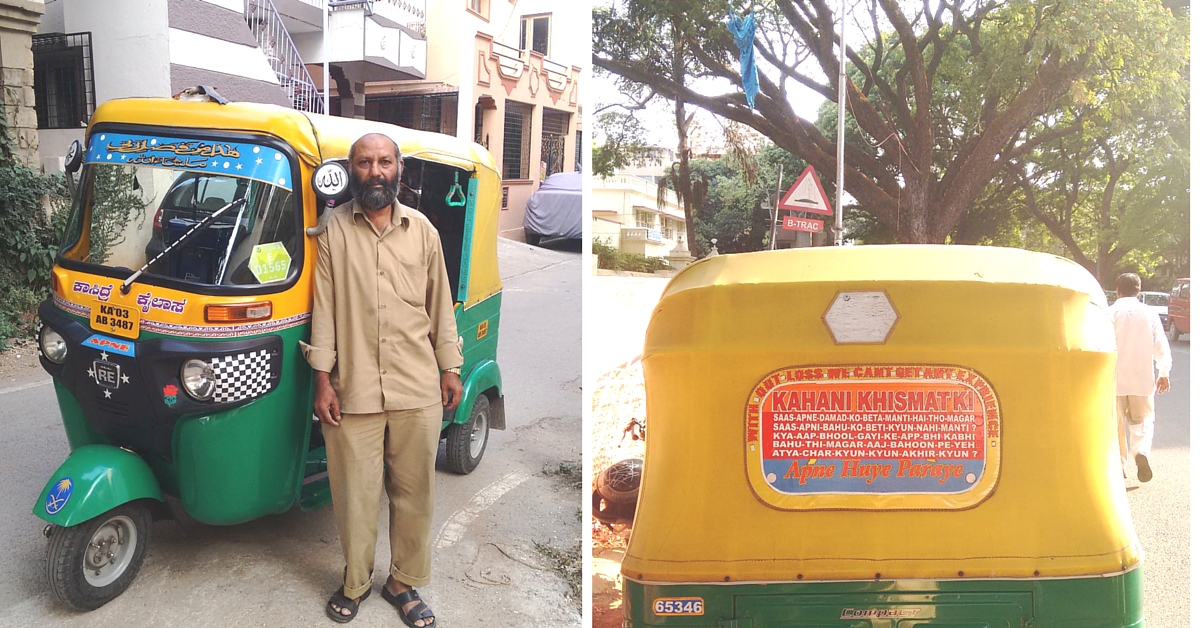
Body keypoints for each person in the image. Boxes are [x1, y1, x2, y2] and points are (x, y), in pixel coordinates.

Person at [301, 133, 463, 627]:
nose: (375, 171)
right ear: (352, 171)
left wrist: (450, 365)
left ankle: (403, 582)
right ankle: (355, 581)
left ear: (399, 171)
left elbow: (441, 304)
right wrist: (323, 381)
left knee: (415, 492)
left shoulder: (424, 231)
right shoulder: (333, 232)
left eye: (384, 162)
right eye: (365, 162)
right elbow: (323, 310)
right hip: (354, 389)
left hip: (417, 386)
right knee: (354, 494)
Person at [1110, 273, 1171, 483]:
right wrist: (1164, 372)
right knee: (1143, 421)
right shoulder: (1149, 314)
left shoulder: (1109, 313)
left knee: (1114, 425)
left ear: (1117, 290)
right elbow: (1160, 345)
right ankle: (1141, 451)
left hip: (1113, 381)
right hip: (1142, 380)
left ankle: (1120, 467)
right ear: (1139, 290)